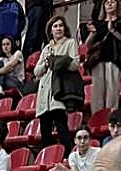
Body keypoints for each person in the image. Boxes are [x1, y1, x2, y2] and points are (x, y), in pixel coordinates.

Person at [34, 16, 79, 150]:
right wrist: (46, 64)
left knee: (62, 128)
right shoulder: (47, 48)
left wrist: (59, 61)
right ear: (50, 30)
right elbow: (37, 71)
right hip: (44, 94)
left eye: (60, 25)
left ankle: (67, 157)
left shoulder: (70, 43)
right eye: (55, 26)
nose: (58, 28)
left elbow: (75, 64)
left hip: (59, 91)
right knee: (45, 133)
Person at [85, 0, 121, 111]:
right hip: (98, 61)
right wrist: (93, 33)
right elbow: (88, 44)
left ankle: (111, 119)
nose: (110, 3)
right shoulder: (98, 23)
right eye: (107, 2)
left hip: (115, 60)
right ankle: (97, 119)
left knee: (112, 94)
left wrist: (112, 30)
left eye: (112, 1)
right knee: (97, 93)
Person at [0, 36, 27, 100]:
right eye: (3, 45)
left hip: (16, 81)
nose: (5, 47)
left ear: (12, 44)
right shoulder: (2, 59)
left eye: (7, 44)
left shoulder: (18, 54)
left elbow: (9, 68)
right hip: (4, 81)